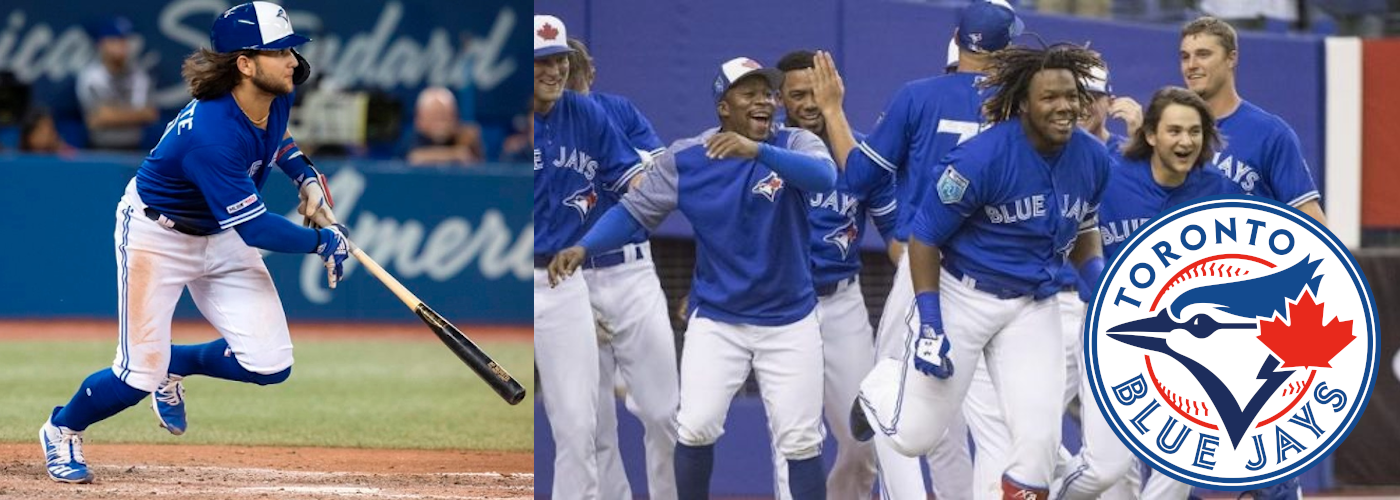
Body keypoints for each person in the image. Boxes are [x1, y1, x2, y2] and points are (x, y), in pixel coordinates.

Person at [39, 2, 345, 484]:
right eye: (280, 51)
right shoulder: (212, 133)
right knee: (137, 375)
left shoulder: (277, 90)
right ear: (245, 63)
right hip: (158, 236)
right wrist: (323, 242)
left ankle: (176, 363)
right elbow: (257, 229)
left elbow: (277, 137)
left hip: (218, 234)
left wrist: (304, 175)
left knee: (271, 365)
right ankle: (61, 429)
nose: (293, 60)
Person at [549, 56, 836, 500]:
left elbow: (824, 177)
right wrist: (584, 246)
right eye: (750, 93)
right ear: (724, 107)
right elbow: (634, 211)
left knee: (801, 441)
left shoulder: (794, 142)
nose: (765, 100)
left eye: (768, 93)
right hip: (718, 318)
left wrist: (758, 151)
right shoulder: (688, 158)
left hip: (789, 318)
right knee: (696, 426)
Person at [852, 43, 1112, 500]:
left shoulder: (1092, 157)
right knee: (915, 435)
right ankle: (878, 389)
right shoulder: (980, 157)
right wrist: (930, 322)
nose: (1065, 106)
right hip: (963, 297)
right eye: (1050, 97)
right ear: (1024, 103)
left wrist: (1100, 282)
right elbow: (925, 237)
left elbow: (1084, 225)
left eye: (1071, 96)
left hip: (1034, 304)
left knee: (1037, 445)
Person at [845, 2, 1024, 497]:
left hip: (924, 261)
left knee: (895, 403)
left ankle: (879, 390)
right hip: (995, 271)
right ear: (1007, 52)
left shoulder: (918, 96)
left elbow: (859, 177)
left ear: (957, 39)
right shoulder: (1022, 105)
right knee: (987, 423)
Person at [1052, 86, 1243, 500]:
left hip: (1184, 338)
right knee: (1106, 471)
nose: (1186, 141)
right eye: (1174, 131)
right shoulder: (1109, 173)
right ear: (1152, 135)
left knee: (1185, 456)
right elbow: (1068, 237)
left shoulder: (1217, 189)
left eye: (1195, 132)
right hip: (1112, 332)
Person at [1177, 15, 1325, 500]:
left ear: (1231, 58)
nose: (1192, 65)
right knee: (1195, 453)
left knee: (1261, 446)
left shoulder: (1268, 133)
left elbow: (1312, 220)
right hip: (1189, 306)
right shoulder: (1172, 129)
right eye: (1185, 56)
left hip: (1254, 311)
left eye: (1204, 54)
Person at [765, 49, 896, 500]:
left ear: (835, 90)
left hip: (842, 303)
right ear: (780, 100)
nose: (809, 102)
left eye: (817, 91)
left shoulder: (856, 153)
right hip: (783, 305)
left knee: (863, 443)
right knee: (793, 441)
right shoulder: (767, 150)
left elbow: (896, 235)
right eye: (798, 94)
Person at [532, 14, 648, 500]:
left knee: (579, 426)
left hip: (560, 284)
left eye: (561, 59)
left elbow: (633, 184)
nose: (555, 70)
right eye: (542, 61)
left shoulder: (587, 115)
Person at [563, 36, 680, 500]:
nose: (565, 78)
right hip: (567, 278)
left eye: (572, 69)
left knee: (663, 411)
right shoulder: (541, 127)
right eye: (552, 67)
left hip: (630, 270)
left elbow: (658, 178)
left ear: (589, 72)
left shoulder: (619, 112)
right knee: (589, 423)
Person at [77, 16, 159, 150]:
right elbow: (96, 119)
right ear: (102, 44)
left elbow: (150, 114)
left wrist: (112, 115)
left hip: (135, 149)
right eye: (115, 40)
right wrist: (136, 115)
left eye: (124, 40)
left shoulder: (140, 77)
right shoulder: (90, 77)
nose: (122, 46)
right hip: (99, 150)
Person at [402, 86, 483, 166]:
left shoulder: (465, 137)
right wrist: (454, 154)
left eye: (444, 115)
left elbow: (469, 158)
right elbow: (415, 157)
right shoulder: (412, 138)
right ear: (420, 119)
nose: (440, 122)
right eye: (434, 116)